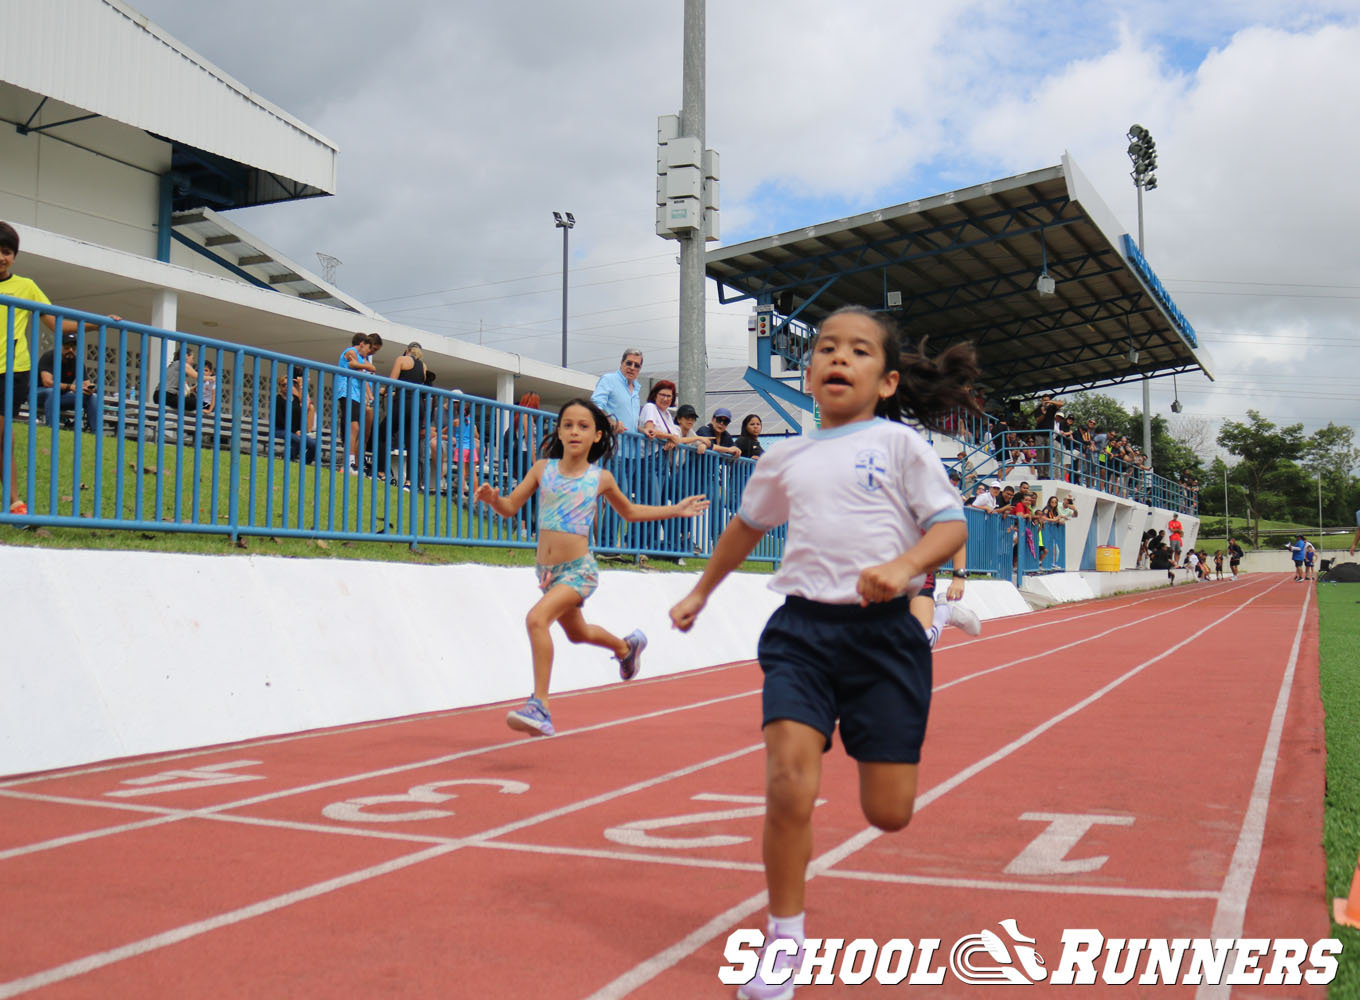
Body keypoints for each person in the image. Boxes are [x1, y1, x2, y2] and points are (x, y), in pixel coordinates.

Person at [667, 304, 978, 998]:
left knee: (888, 813)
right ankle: (784, 940)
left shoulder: (902, 449)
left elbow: (951, 525)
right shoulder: (784, 457)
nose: (840, 357)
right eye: (828, 348)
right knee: (787, 786)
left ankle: (938, 621)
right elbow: (745, 531)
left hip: (886, 640)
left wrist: (902, 570)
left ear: (889, 380)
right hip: (802, 634)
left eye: (859, 350)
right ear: (808, 375)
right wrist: (701, 593)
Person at [474, 397, 708, 737]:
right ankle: (626, 648)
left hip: (579, 571)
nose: (574, 432)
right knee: (576, 632)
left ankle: (540, 705)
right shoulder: (542, 470)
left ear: (597, 436)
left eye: (583, 426)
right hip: (547, 573)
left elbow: (630, 512)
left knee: (536, 620)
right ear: (559, 431)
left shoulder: (601, 478)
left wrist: (675, 510)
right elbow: (510, 507)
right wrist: (493, 499)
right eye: (567, 425)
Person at [37, 332, 102, 433]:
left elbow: (86, 383)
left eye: (73, 347)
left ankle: (97, 434)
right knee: (51, 391)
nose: (70, 350)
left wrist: (89, 388)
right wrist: (71, 387)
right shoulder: (50, 356)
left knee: (93, 397)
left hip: (61, 397)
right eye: (67, 347)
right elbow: (47, 382)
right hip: (39, 394)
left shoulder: (77, 362)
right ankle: (51, 430)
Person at [336, 333, 381, 474]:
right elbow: (353, 364)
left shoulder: (362, 358)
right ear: (363, 344)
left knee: (357, 430)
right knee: (353, 427)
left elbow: (366, 374)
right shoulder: (351, 352)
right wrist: (367, 366)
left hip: (357, 395)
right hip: (347, 392)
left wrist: (370, 396)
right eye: (371, 348)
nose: (371, 352)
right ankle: (348, 464)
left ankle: (352, 464)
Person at [590, 348, 643, 435]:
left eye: (636, 365)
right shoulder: (608, 379)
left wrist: (642, 430)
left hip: (630, 447)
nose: (632, 368)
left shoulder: (636, 391)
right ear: (622, 363)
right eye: (629, 363)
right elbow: (595, 406)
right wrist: (612, 421)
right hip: (611, 444)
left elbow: (630, 424)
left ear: (639, 369)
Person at [272, 374, 317, 463]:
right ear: (280, 387)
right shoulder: (278, 400)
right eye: (283, 385)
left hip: (294, 431)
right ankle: (288, 460)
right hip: (280, 429)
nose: (286, 387)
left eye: (288, 384)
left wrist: (299, 430)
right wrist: (294, 430)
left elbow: (301, 413)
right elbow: (279, 420)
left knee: (314, 445)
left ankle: (305, 464)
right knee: (298, 440)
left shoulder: (295, 399)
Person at [155, 346, 199, 411]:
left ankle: (153, 417)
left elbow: (183, 390)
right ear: (186, 356)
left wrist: (192, 388)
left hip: (159, 395)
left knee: (191, 399)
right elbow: (198, 376)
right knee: (194, 403)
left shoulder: (174, 366)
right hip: (165, 396)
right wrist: (212, 378)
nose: (192, 361)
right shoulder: (181, 364)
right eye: (192, 358)